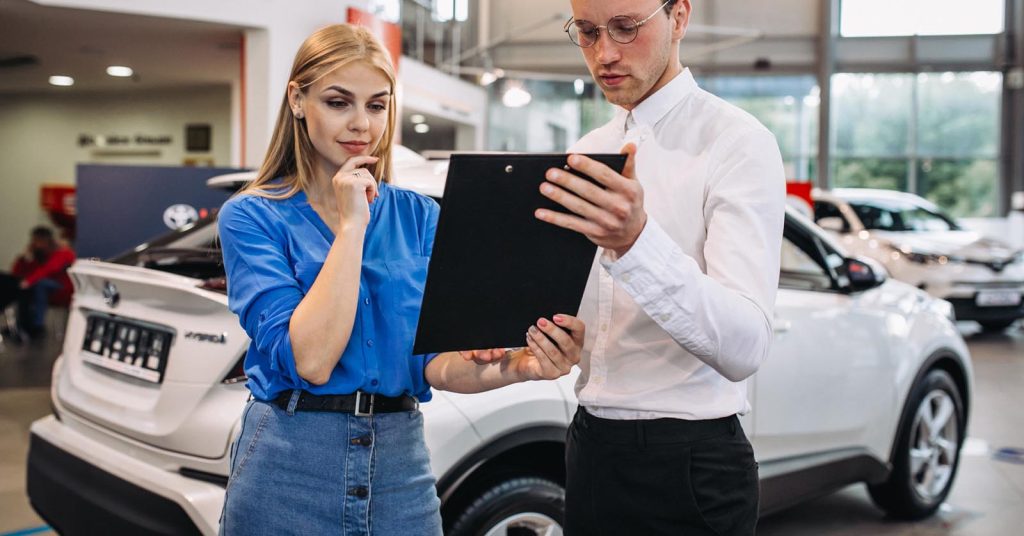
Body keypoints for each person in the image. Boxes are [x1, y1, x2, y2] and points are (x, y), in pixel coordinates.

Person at [216, 24, 585, 536]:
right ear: (298, 101)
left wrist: (521, 367)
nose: (361, 125)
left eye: (377, 105)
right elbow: (313, 359)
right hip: (289, 464)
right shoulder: (251, 217)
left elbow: (436, 364)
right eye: (338, 102)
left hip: (400, 465)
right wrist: (352, 226)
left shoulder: (419, 216)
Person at [537, 0, 786, 534]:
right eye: (586, 31)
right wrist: (553, 339)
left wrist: (636, 243)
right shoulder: (587, 151)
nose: (604, 53)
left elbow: (745, 345)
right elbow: (588, 322)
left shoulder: (738, 143)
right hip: (589, 448)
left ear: (678, 18)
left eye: (626, 28)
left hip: (689, 467)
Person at [1, 226, 75, 340]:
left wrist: (28, 282)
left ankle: (36, 326)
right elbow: (18, 273)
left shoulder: (63, 253)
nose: (36, 244)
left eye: (39, 240)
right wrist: (25, 258)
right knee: (12, 283)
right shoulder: (37, 255)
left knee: (39, 284)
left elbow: (48, 270)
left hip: (62, 289)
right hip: (37, 287)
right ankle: (21, 326)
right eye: (34, 240)